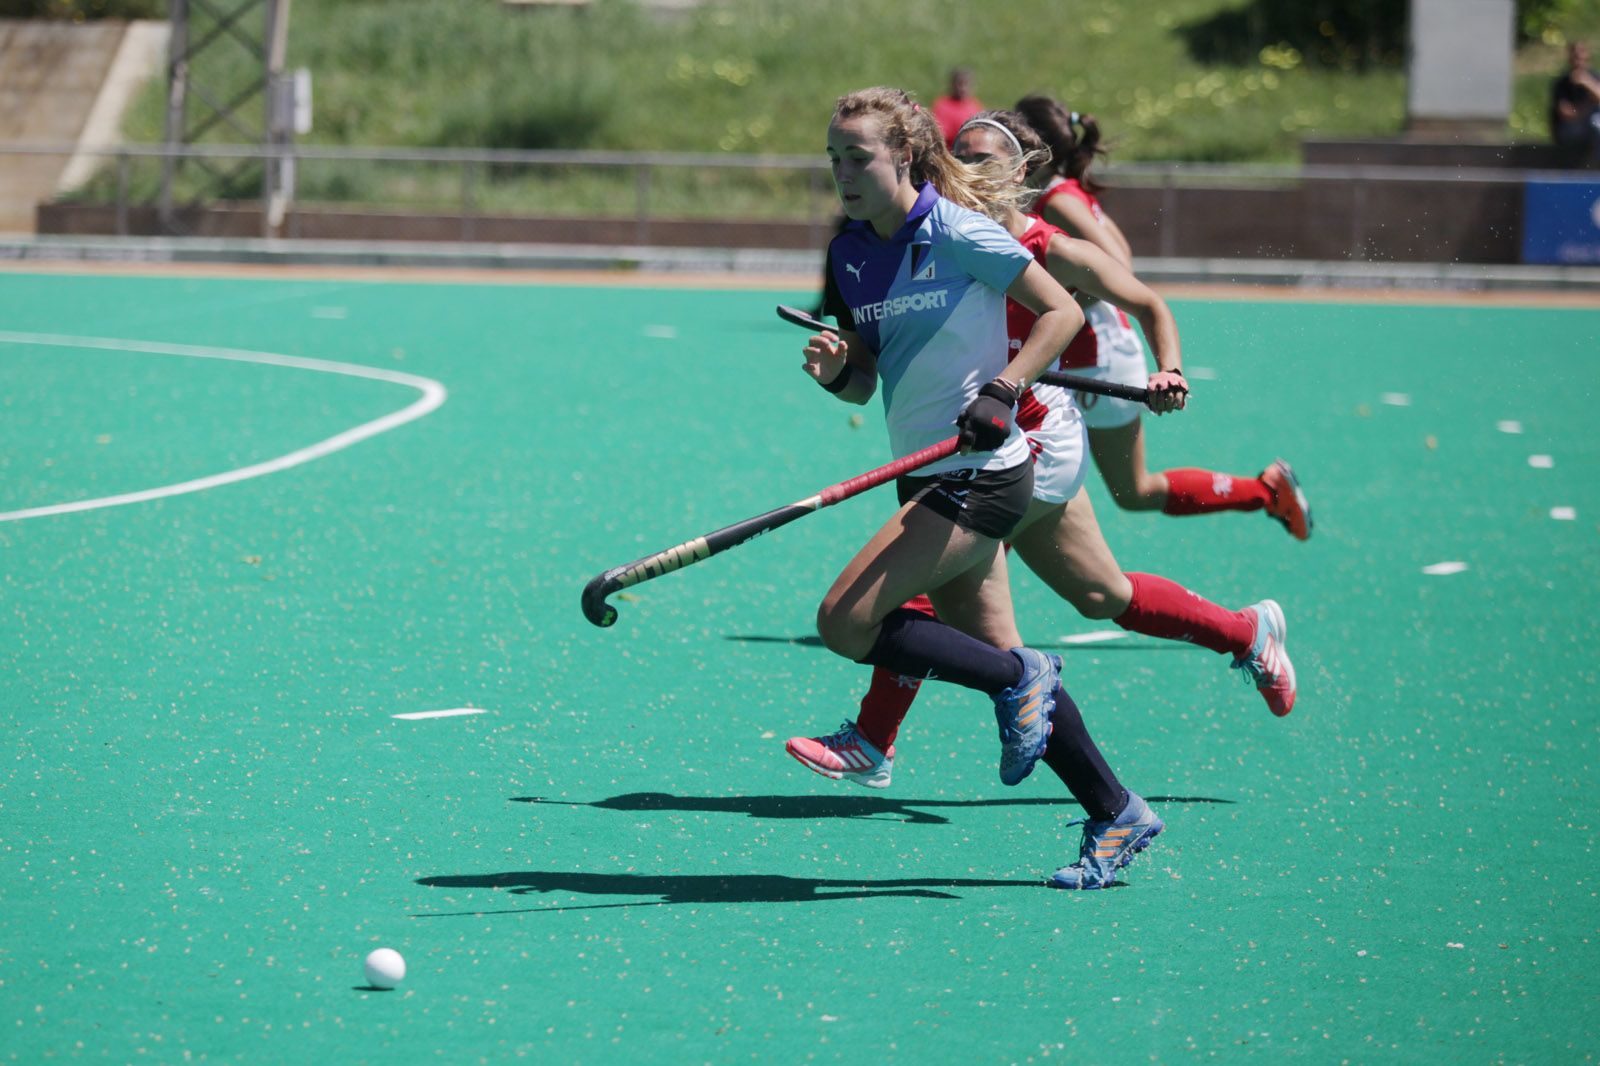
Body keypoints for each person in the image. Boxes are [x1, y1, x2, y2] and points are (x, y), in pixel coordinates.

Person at [788, 109, 1297, 820]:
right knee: (1097, 595)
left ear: (1022, 173)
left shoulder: (1023, 240)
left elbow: (1135, 298)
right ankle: (1232, 647)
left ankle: (877, 736)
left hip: (1029, 441)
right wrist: (844, 371)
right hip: (974, 443)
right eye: (963, 154)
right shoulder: (911, 242)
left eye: (988, 159)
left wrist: (1166, 369)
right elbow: (876, 364)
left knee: (933, 571)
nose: (973, 169)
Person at [803, 86, 1163, 889]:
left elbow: (1061, 312)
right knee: (998, 653)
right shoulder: (851, 254)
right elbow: (867, 383)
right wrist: (837, 373)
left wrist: (1002, 389)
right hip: (923, 472)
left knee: (844, 621)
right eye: (833, 159)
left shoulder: (958, 231)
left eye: (856, 157)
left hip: (984, 474)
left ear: (904, 156)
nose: (842, 173)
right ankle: (1116, 812)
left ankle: (1021, 682)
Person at [1014, 94, 1313, 539]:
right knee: (1023, 480)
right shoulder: (1064, 191)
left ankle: (1264, 492)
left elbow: (1117, 262)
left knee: (1130, 490)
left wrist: (1057, 302)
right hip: (1087, 350)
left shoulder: (1058, 200)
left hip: (1092, 356)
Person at [1550, 41, 1600, 165]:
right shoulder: (1562, 83)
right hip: (1570, 129)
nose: (1579, 62)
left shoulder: (1594, 78)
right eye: (1575, 57)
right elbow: (1566, 113)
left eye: (1582, 57)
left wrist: (1588, 84)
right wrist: (1587, 108)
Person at [932, 68, 982, 148]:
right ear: (952, 85)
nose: (963, 88)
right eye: (960, 84)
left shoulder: (975, 105)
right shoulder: (943, 105)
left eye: (966, 84)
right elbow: (939, 135)